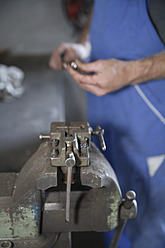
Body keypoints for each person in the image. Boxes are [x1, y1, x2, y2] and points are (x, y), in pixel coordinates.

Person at [49, 0, 165, 247]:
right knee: (108, 202)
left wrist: (133, 71)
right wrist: (83, 45)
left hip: (150, 114)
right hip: (106, 111)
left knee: (149, 218)